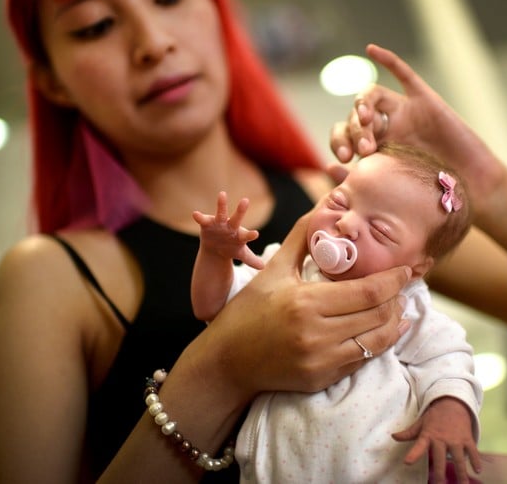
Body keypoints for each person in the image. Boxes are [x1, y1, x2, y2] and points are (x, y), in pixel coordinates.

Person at [0, 0, 507, 481]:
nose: (153, 42)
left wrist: (486, 181)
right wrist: (222, 370)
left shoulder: (354, 204)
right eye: (96, 25)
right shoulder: (52, 277)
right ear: (54, 80)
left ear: (217, 10)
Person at [192, 143, 482, 482]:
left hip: (374, 471)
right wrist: (214, 255)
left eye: (380, 231)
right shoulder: (285, 268)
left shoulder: (409, 306)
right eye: (339, 202)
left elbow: (448, 360)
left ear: (416, 268)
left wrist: (449, 409)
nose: (345, 223)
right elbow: (211, 305)